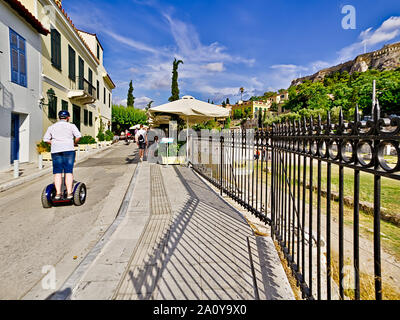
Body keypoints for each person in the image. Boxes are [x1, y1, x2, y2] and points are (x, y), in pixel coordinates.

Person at [43, 110, 82, 200]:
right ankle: (69, 193)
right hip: (68, 149)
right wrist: (74, 143)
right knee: (68, 171)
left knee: (57, 172)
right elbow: (78, 136)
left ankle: (58, 194)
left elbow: (46, 139)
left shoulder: (52, 127)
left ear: (59, 117)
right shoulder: (71, 126)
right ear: (68, 118)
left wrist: (53, 143)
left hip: (56, 151)